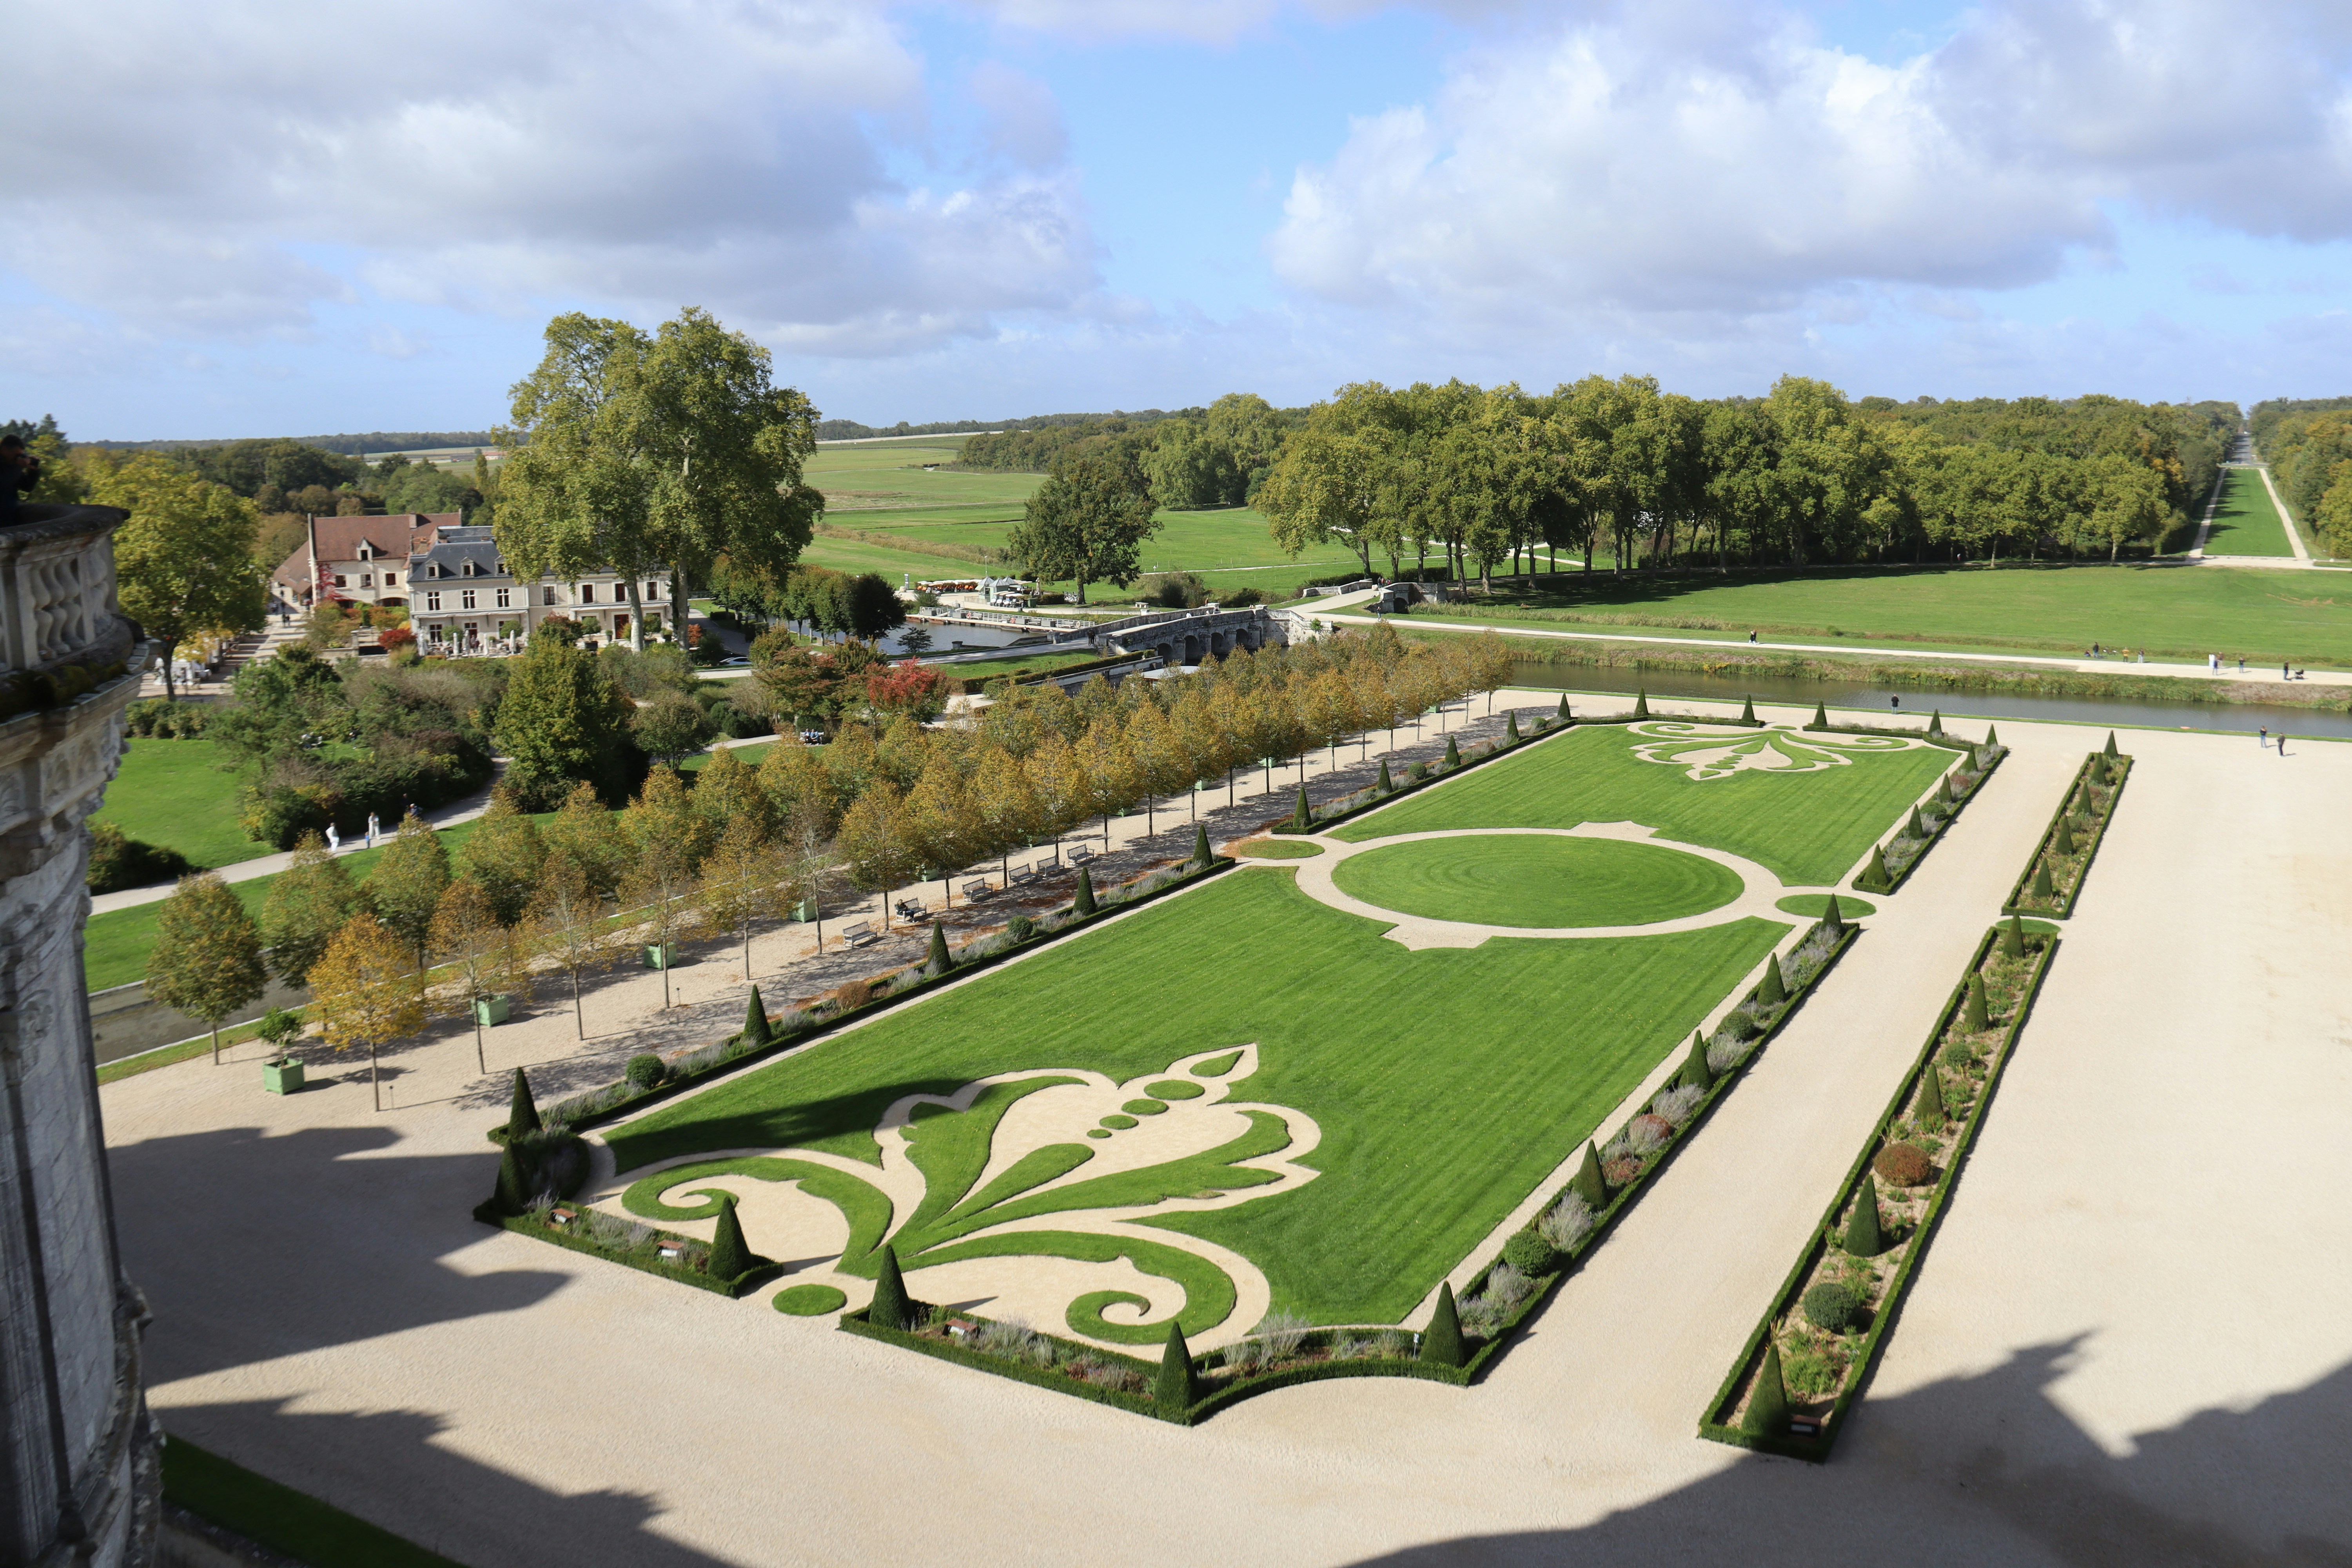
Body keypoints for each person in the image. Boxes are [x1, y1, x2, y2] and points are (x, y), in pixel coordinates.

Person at [0, 434, 40, 525]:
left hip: (8, 517)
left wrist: (33, 471)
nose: (18, 458)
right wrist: (19, 467)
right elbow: (4, 483)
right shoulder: (12, 467)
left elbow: (27, 487)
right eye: (17, 455)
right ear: (5, 450)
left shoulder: (12, 466)